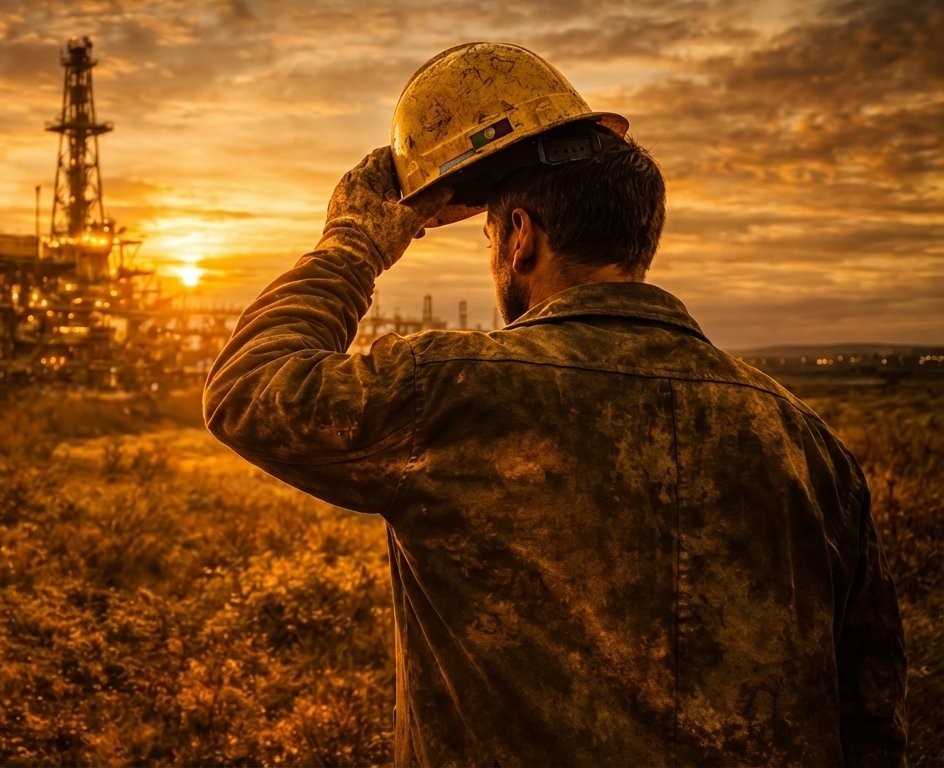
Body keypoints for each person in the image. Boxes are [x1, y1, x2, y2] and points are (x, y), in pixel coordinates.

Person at [203, 42, 906, 767]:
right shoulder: (804, 440)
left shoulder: (451, 389)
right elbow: (871, 711)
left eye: (489, 234)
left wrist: (353, 243)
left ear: (520, 240)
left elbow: (248, 387)